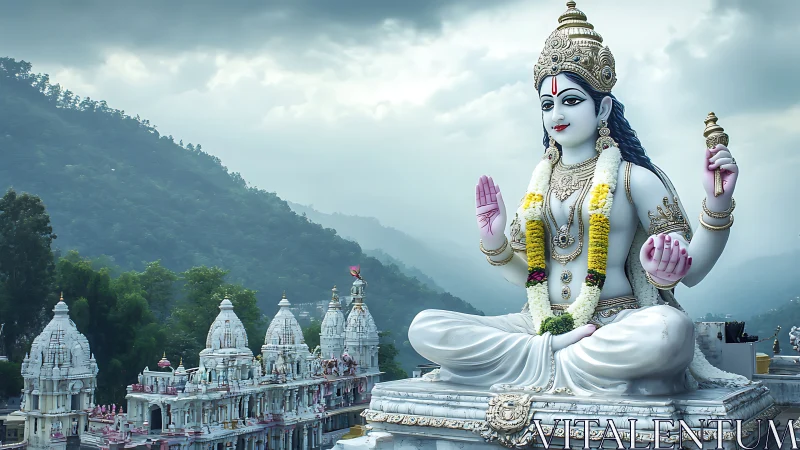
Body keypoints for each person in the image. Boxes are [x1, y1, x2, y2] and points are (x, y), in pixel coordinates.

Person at [409, 1, 746, 396]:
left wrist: (717, 202)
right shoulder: (539, 186)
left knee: (670, 331)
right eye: (547, 105)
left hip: (611, 322)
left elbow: (691, 271)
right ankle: (552, 355)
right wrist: (494, 240)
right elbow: (527, 275)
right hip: (538, 323)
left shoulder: (632, 178)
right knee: (426, 326)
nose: (556, 115)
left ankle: (534, 362)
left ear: (602, 106)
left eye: (570, 100)